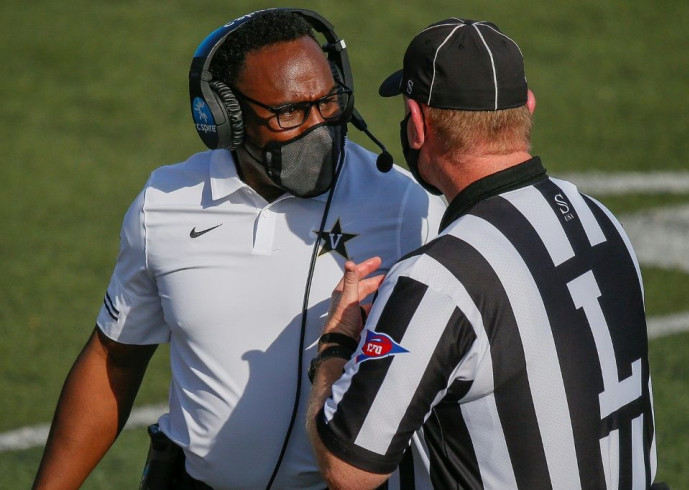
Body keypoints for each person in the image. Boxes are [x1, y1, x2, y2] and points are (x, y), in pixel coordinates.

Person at [33, 9, 445, 490]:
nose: (321, 126)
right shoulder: (164, 205)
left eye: (329, 102)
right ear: (225, 118)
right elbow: (113, 359)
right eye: (290, 112)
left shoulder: (405, 203)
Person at [308, 18, 667, 489]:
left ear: (416, 125)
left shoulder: (439, 278)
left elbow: (347, 469)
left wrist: (335, 345)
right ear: (528, 107)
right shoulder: (599, 219)